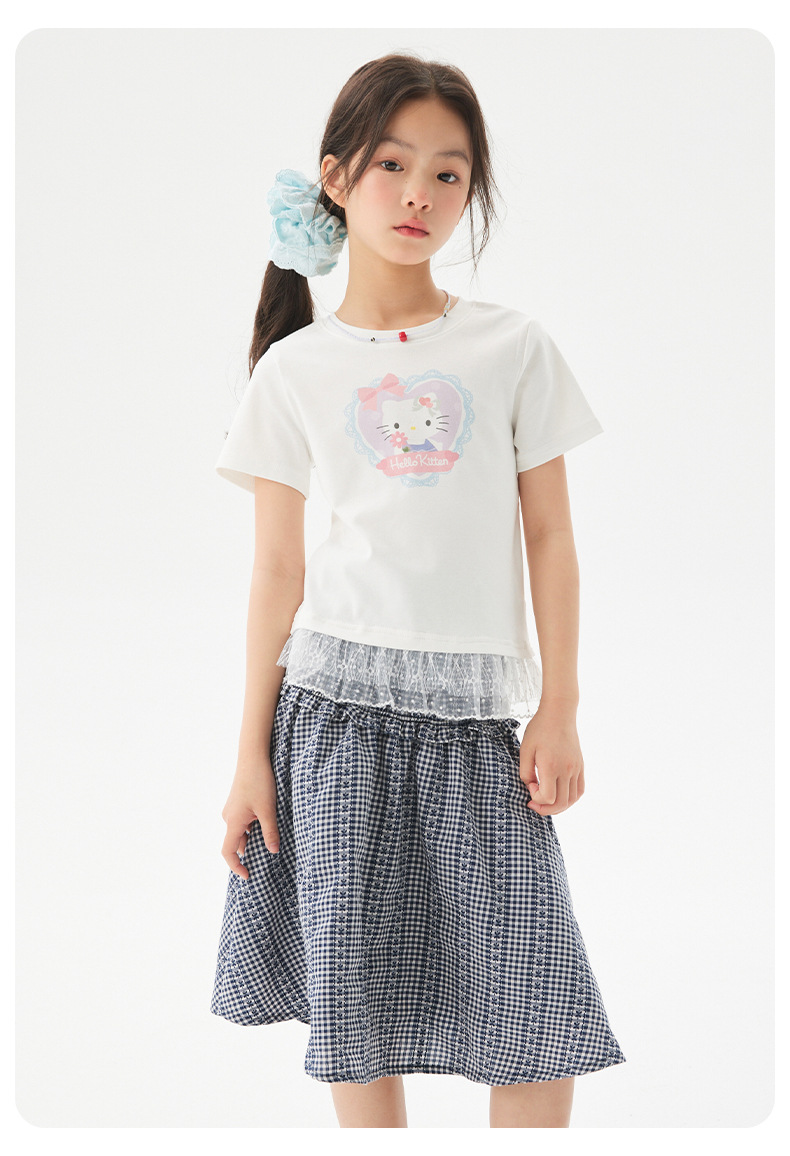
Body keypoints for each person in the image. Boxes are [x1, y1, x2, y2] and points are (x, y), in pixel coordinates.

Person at [209, 51, 626, 1128]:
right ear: (335, 177)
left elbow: (552, 537)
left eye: (449, 173)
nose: (419, 195)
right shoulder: (294, 370)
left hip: (475, 725)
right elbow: (276, 572)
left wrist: (561, 707)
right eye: (392, 164)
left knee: (532, 1012)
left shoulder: (511, 346)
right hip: (331, 721)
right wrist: (248, 756)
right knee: (357, 1005)